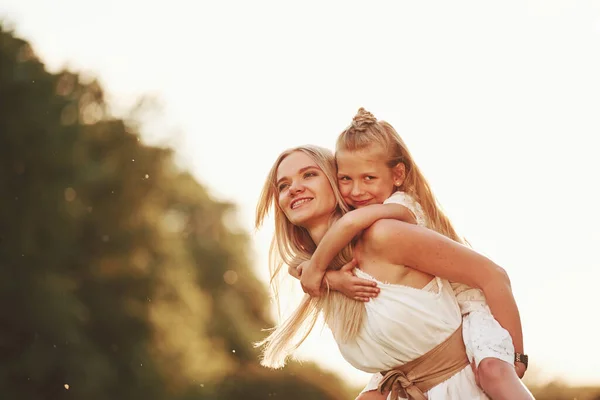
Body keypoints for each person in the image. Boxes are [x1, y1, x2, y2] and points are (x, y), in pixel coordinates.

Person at [255, 144, 531, 399]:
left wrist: (515, 360)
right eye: (283, 185)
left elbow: (492, 275)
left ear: (337, 181)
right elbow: (299, 269)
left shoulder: (383, 235)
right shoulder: (319, 275)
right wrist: (329, 279)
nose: (294, 188)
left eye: (309, 174)